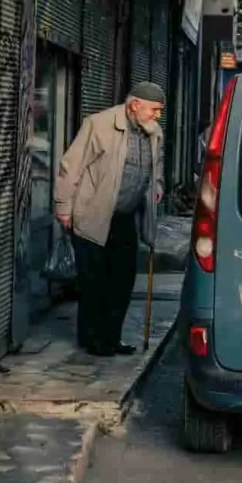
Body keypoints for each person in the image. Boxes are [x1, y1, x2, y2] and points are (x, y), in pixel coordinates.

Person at [54, 82, 165, 357]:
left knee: (122, 280)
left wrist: (157, 187)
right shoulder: (99, 124)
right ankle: (93, 340)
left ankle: (111, 338)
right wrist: (64, 207)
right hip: (93, 213)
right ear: (135, 105)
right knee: (94, 281)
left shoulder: (154, 132)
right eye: (154, 109)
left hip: (125, 216)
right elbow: (71, 166)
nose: (158, 115)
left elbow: (157, 167)